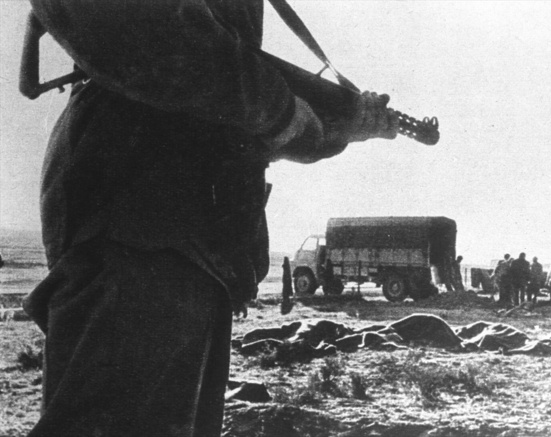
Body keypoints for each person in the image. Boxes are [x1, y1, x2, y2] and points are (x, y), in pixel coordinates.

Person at [22, 2, 399, 436]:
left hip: (193, 237)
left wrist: (338, 128)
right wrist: (278, 108)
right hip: (143, 222)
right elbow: (156, 39)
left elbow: (231, 112)